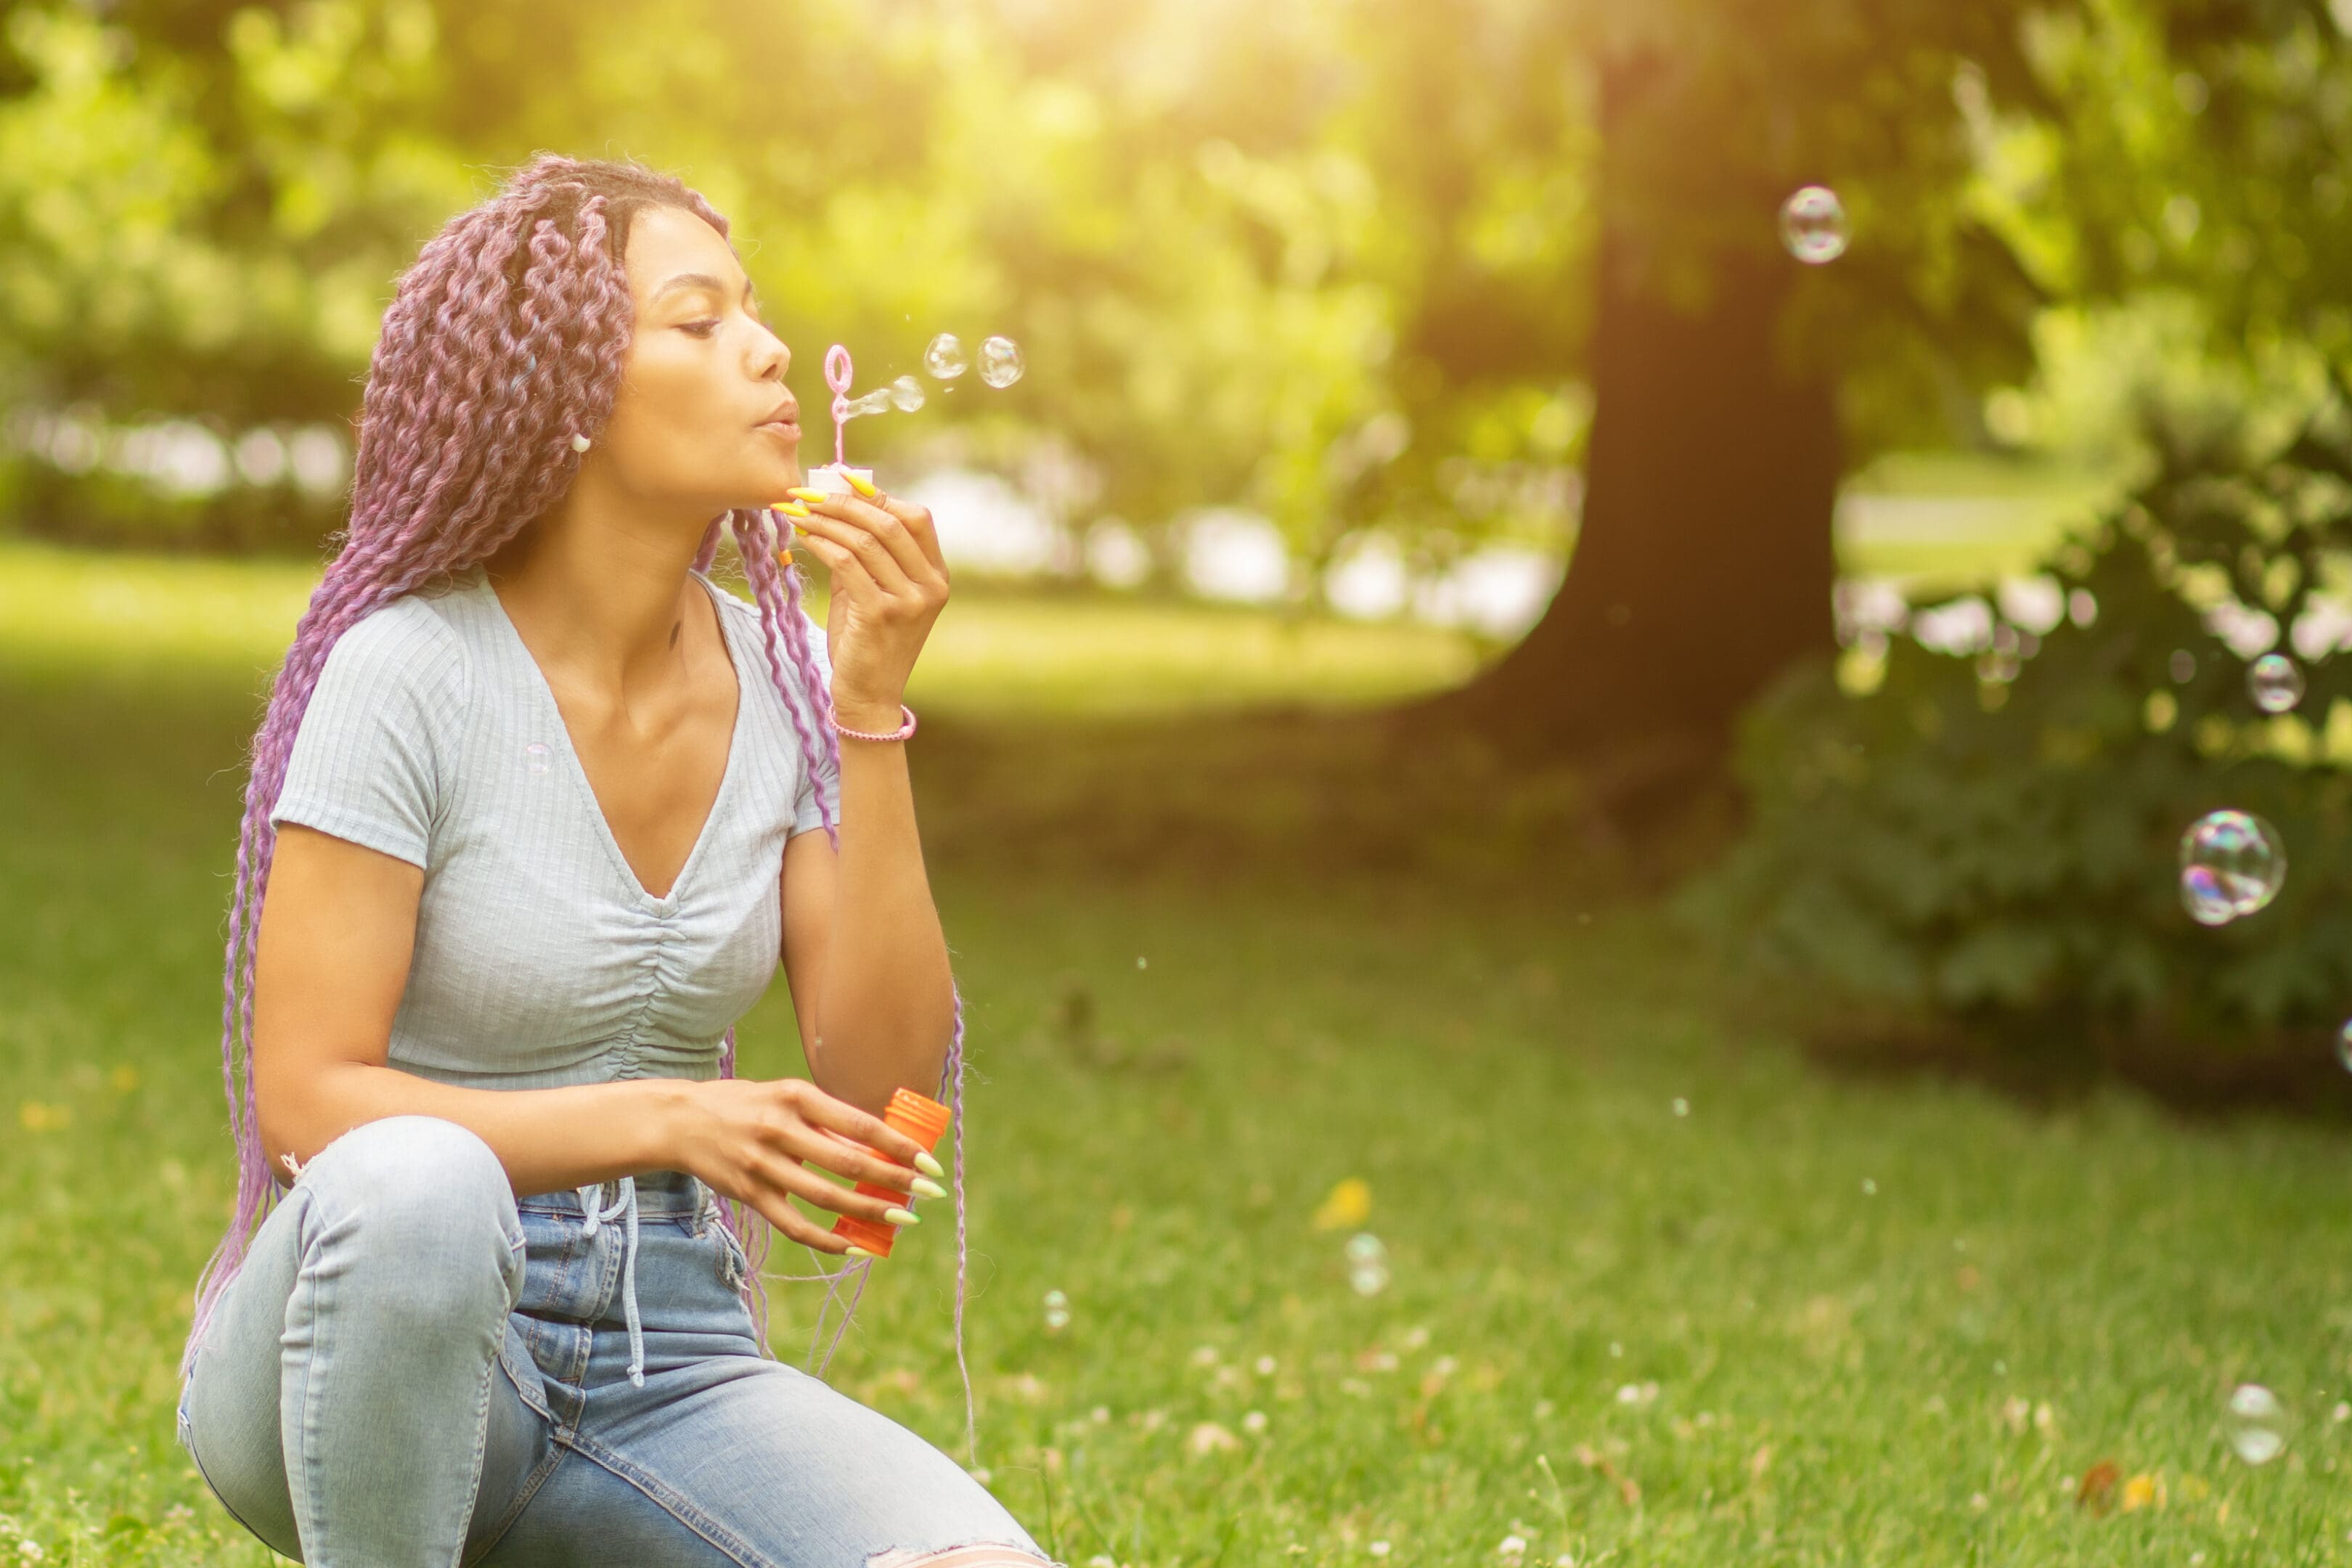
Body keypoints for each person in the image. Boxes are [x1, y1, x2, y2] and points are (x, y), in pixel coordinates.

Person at [173, 152, 1061, 1568]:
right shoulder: (407, 671)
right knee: (422, 1181)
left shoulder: (782, 683)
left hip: (669, 1361)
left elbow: (883, 1110)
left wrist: (868, 712)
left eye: (755, 312)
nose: (768, 348)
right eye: (697, 320)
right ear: (568, 396)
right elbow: (311, 1103)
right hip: (358, 1345)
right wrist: (670, 1119)